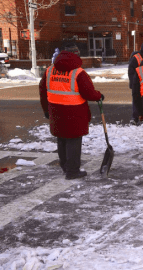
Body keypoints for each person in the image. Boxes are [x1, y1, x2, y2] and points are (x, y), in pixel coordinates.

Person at [39, 43, 103, 180]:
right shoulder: (78, 72)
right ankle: (72, 171)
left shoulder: (50, 70)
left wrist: (46, 109)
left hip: (56, 111)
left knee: (61, 139)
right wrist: (99, 96)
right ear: (75, 55)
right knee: (73, 141)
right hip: (74, 112)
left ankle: (65, 167)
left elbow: (42, 91)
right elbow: (89, 93)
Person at [128, 40, 143, 125]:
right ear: (142, 49)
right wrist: (132, 83)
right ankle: (135, 118)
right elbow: (131, 71)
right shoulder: (136, 58)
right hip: (138, 83)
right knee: (136, 100)